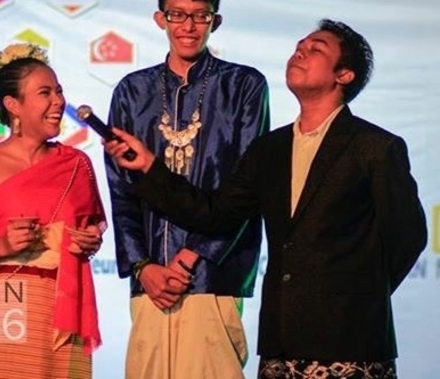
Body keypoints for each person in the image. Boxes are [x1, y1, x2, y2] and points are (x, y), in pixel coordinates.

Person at [106, 19, 427, 379]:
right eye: (299, 46)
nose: (300, 53)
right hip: (282, 343)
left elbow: (408, 238)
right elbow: (212, 213)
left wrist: (361, 297)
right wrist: (150, 167)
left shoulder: (375, 147)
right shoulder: (269, 149)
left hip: (352, 344)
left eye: (316, 49)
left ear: (344, 74)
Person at [106, 0, 269, 378]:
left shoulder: (244, 86)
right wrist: (142, 266)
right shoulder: (132, 91)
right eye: (177, 14)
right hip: (151, 284)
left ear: (216, 20)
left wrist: (193, 256)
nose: (189, 26)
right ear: (160, 18)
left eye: (200, 15)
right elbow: (122, 190)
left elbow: (247, 188)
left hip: (213, 277)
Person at [0, 43, 105, 379]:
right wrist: (3, 245)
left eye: (59, 91)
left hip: (63, 304)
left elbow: (92, 229)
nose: (58, 101)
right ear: (13, 105)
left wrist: (90, 241)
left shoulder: (76, 163)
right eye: (45, 93)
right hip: (1, 304)